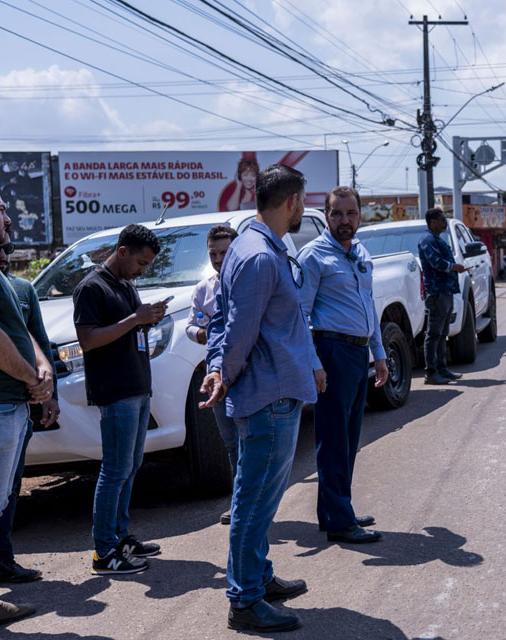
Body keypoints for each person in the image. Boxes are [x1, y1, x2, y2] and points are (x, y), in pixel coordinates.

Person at [200, 164, 317, 633]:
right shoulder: (259, 256)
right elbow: (238, 330)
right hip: (267, 397)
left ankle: (258, 578)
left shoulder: (254, 241)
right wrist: (220, 373)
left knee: (261, 501)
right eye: (303, 202)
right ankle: (244, 600)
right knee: (253, 504)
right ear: (291, 201)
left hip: (274, 389)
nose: (303, 210)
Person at [73, 224, 169, 576]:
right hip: (116, 391)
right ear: (123, 251)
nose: (142, 270)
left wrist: (149, 318)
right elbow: (88, 340)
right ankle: (104, 552)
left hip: (137, 386)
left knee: (130, 466)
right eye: (140, 263)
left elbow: (130, 328)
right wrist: (135, 319)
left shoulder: (125, 284)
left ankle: (121, 536)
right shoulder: (91, 287)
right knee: (114, 470)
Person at [297, 186, 387, 544]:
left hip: (357, 352)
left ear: (360, 214)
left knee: (349, 439)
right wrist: (314, 362)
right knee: (333, 439)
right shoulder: (313, 256)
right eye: (337, 214)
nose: (344, 221)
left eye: (351, 214)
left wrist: (379, 353)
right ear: (326, 215)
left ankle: (337, 509)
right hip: (330, 351)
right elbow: (300, 314)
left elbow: (369, 305)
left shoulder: (361, 252)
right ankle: (339, 520)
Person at [0, 182, 47, 637]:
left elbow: (17, 329)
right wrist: (29, 377)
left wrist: (39, 370)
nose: (8, 217)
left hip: (4, 408)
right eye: (1, 209)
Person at [0, 242, 59, 584]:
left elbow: (37, 340)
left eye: (8, 249)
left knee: (8, 491)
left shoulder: (21, 289)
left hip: (20, 406)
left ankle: (3, 561)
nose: (3, 255)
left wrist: (49, 392)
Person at [185, 224, 239, 525]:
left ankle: (255, 500)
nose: (219, 258)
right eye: (213, 254)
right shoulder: (203, 289)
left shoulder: (249, 285)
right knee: (230, 442)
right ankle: (239, 501)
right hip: (216, 374)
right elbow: (191, 326)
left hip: (246, 373)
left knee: (252, 441)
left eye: (225, 252)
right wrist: (202, 334)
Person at [417, 208, 468, 385]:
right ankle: (431, 372)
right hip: (437, 293)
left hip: (446, 291)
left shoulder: (437, 239)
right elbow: (436, 262)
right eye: (442, 220)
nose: (445, 223)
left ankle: (442, 368)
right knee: (434, 333)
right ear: (432, 222)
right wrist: (455, 267)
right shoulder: (427, 240)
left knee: (442, 333)